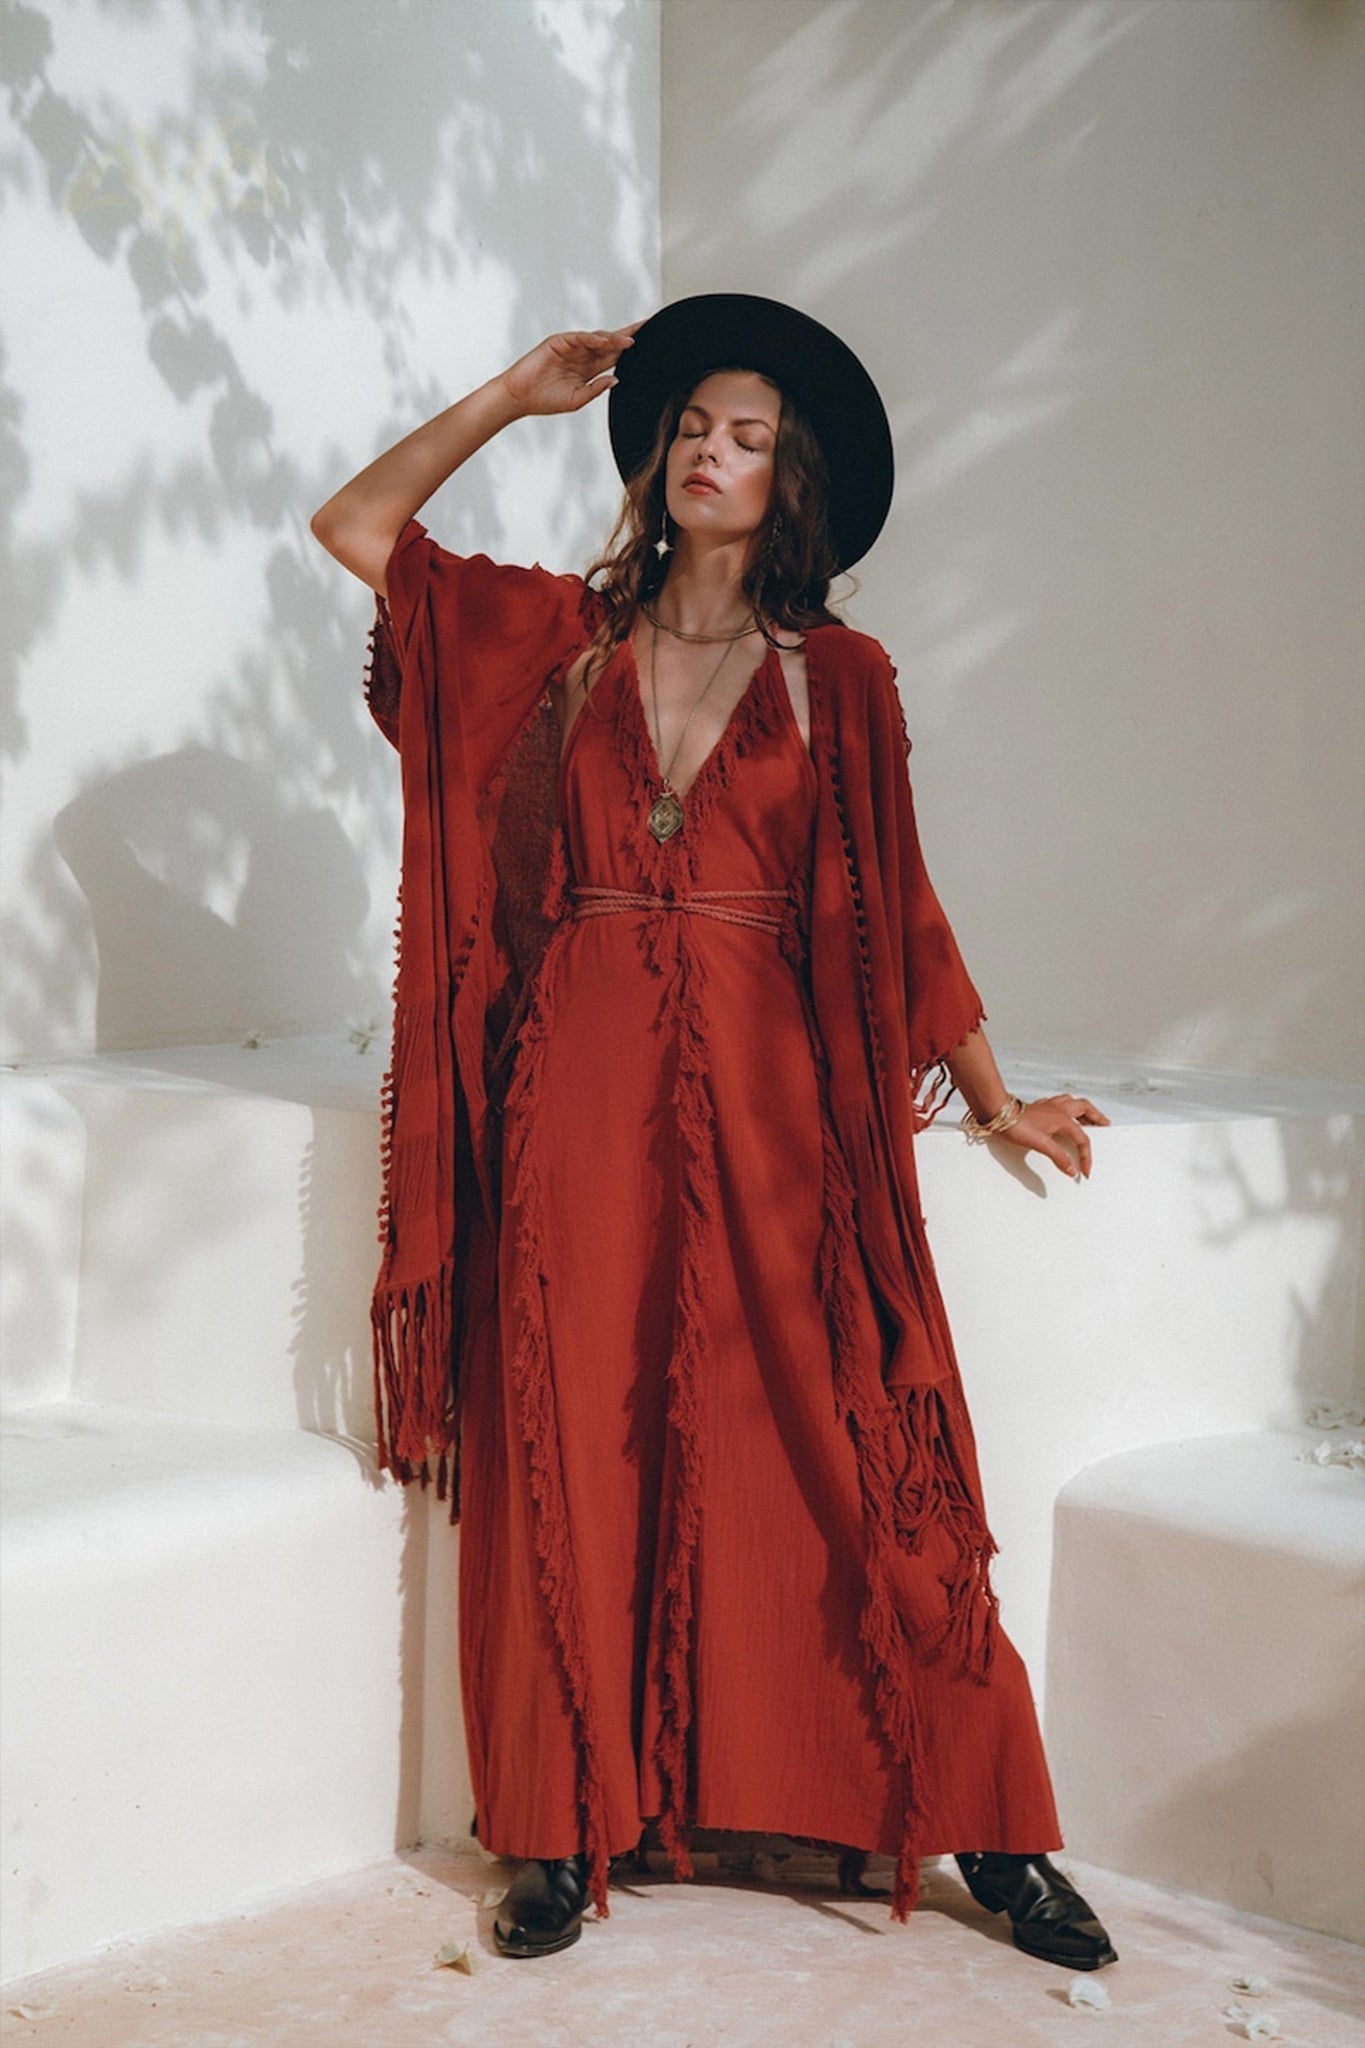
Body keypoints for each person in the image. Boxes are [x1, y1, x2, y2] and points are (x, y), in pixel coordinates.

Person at [311, 294, 1118, 1971]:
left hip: (773, 1106)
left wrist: (994, 1097)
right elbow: (359, 527)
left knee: (852, 1444)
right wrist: (511, 396)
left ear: (789, 480)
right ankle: (552, 1831)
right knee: (569, 1444)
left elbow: (899, 911)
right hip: (576, 1094)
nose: (708, 451)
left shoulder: (839, 679)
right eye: (690, 425)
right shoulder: (561, 642)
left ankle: (996, 1830)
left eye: (746, 437)